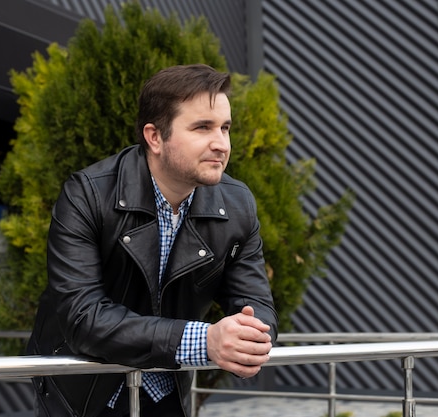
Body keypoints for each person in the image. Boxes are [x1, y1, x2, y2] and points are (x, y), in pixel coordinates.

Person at [26, 64, 278, 417]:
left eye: (225, 127)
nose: (221, 144)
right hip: (84, 392)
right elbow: (83, 317)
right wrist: (204, 340)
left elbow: (256, 305)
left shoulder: (237, 206)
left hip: (168, 392)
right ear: (154, 137)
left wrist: (250, 336)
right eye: (202, 127)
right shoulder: (87, 195)